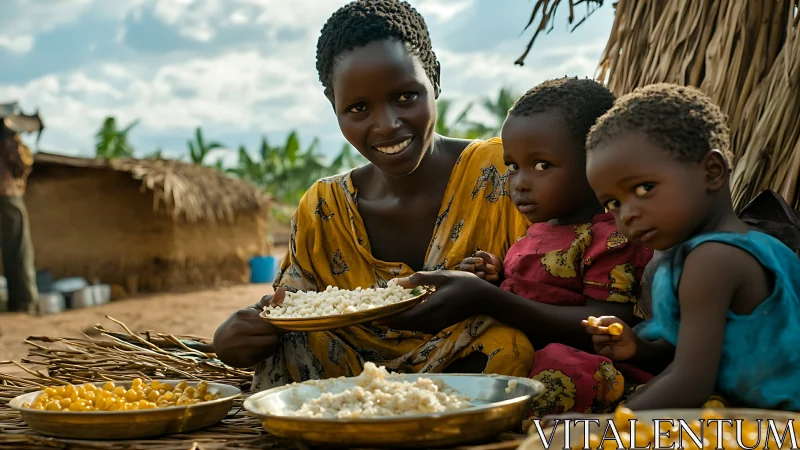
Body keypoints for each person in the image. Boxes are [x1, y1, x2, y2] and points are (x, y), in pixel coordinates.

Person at [213, 0, 534, 391]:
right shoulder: (323, 208)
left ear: (434, 78)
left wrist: (484, 296)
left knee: (508, 344)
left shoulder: (504, 173)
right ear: (335, 108)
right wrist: (243, 334)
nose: (386, 125)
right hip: (350, 374)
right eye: (358, 108)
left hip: (471, 359)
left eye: (405, 97)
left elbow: (562, 291)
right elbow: (291, 311)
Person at [389, 77, 654, 421]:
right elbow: (535, 291)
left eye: (541, 165)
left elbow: (611, 323)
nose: (520, 182)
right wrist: (494, 278)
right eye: (513, 166)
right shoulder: (538, 230)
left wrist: (490, 298)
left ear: (598, 163)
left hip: (576, 367)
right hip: (517, 353)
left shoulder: (608, 238)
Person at [582, 83, 800, 410]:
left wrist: (606, 433)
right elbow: (702, 358)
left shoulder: (712, 261)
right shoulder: (755, 245)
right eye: (614, 202)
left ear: (711, 172)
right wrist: (639, 349)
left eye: (644, 187)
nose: (628, 213)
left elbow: (689, 384)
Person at [0, 119, 38, 313]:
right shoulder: (9, 134)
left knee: (9, 249)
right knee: (19, 247)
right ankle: (24, 302)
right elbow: (21, 162)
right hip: (7, 194)